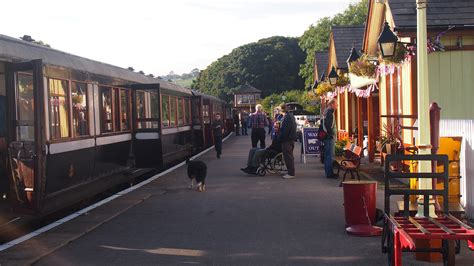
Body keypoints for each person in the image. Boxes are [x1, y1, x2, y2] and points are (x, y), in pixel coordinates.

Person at [278, 103, 297, 179]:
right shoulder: (291, 116)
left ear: (281, 110)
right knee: (290, 156)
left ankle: (291, 173)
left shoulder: (286, 117)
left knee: (288, 156)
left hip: (287, 139)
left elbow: (285, 131)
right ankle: (290, 171)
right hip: (291, 138)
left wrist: (280, 137)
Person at [323, 98, 338, 178]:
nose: (337, 106)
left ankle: (328, 172)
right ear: (332, 104)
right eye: (336, 104)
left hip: (327, 137)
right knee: (330, 155)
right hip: (329, 137)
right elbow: (328, 125)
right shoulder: (329, 112)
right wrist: (331, 134)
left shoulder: (327, 111)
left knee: (327, 155)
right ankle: (330, 173)